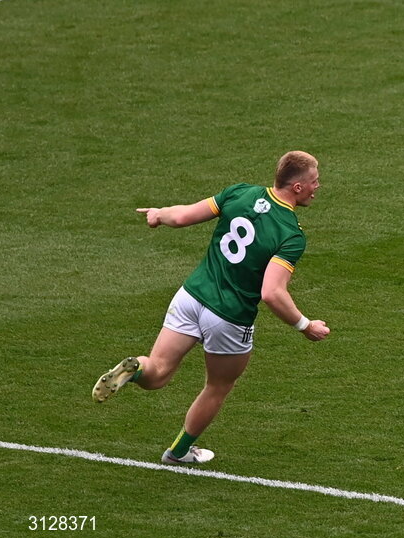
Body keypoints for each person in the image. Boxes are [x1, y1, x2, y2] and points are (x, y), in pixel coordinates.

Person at [92, 150, 331, 464]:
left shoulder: (240, 192)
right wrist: (305, 325)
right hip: (229, 318)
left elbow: (180, 217)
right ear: (297, 187)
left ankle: (135, 369)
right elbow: (272, 293)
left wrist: (158, 213)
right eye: (314, 182)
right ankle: (177, 453)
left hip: (191, 296)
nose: (318, 187)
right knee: (218, 386)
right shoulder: (290, 234)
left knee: (158, 372)